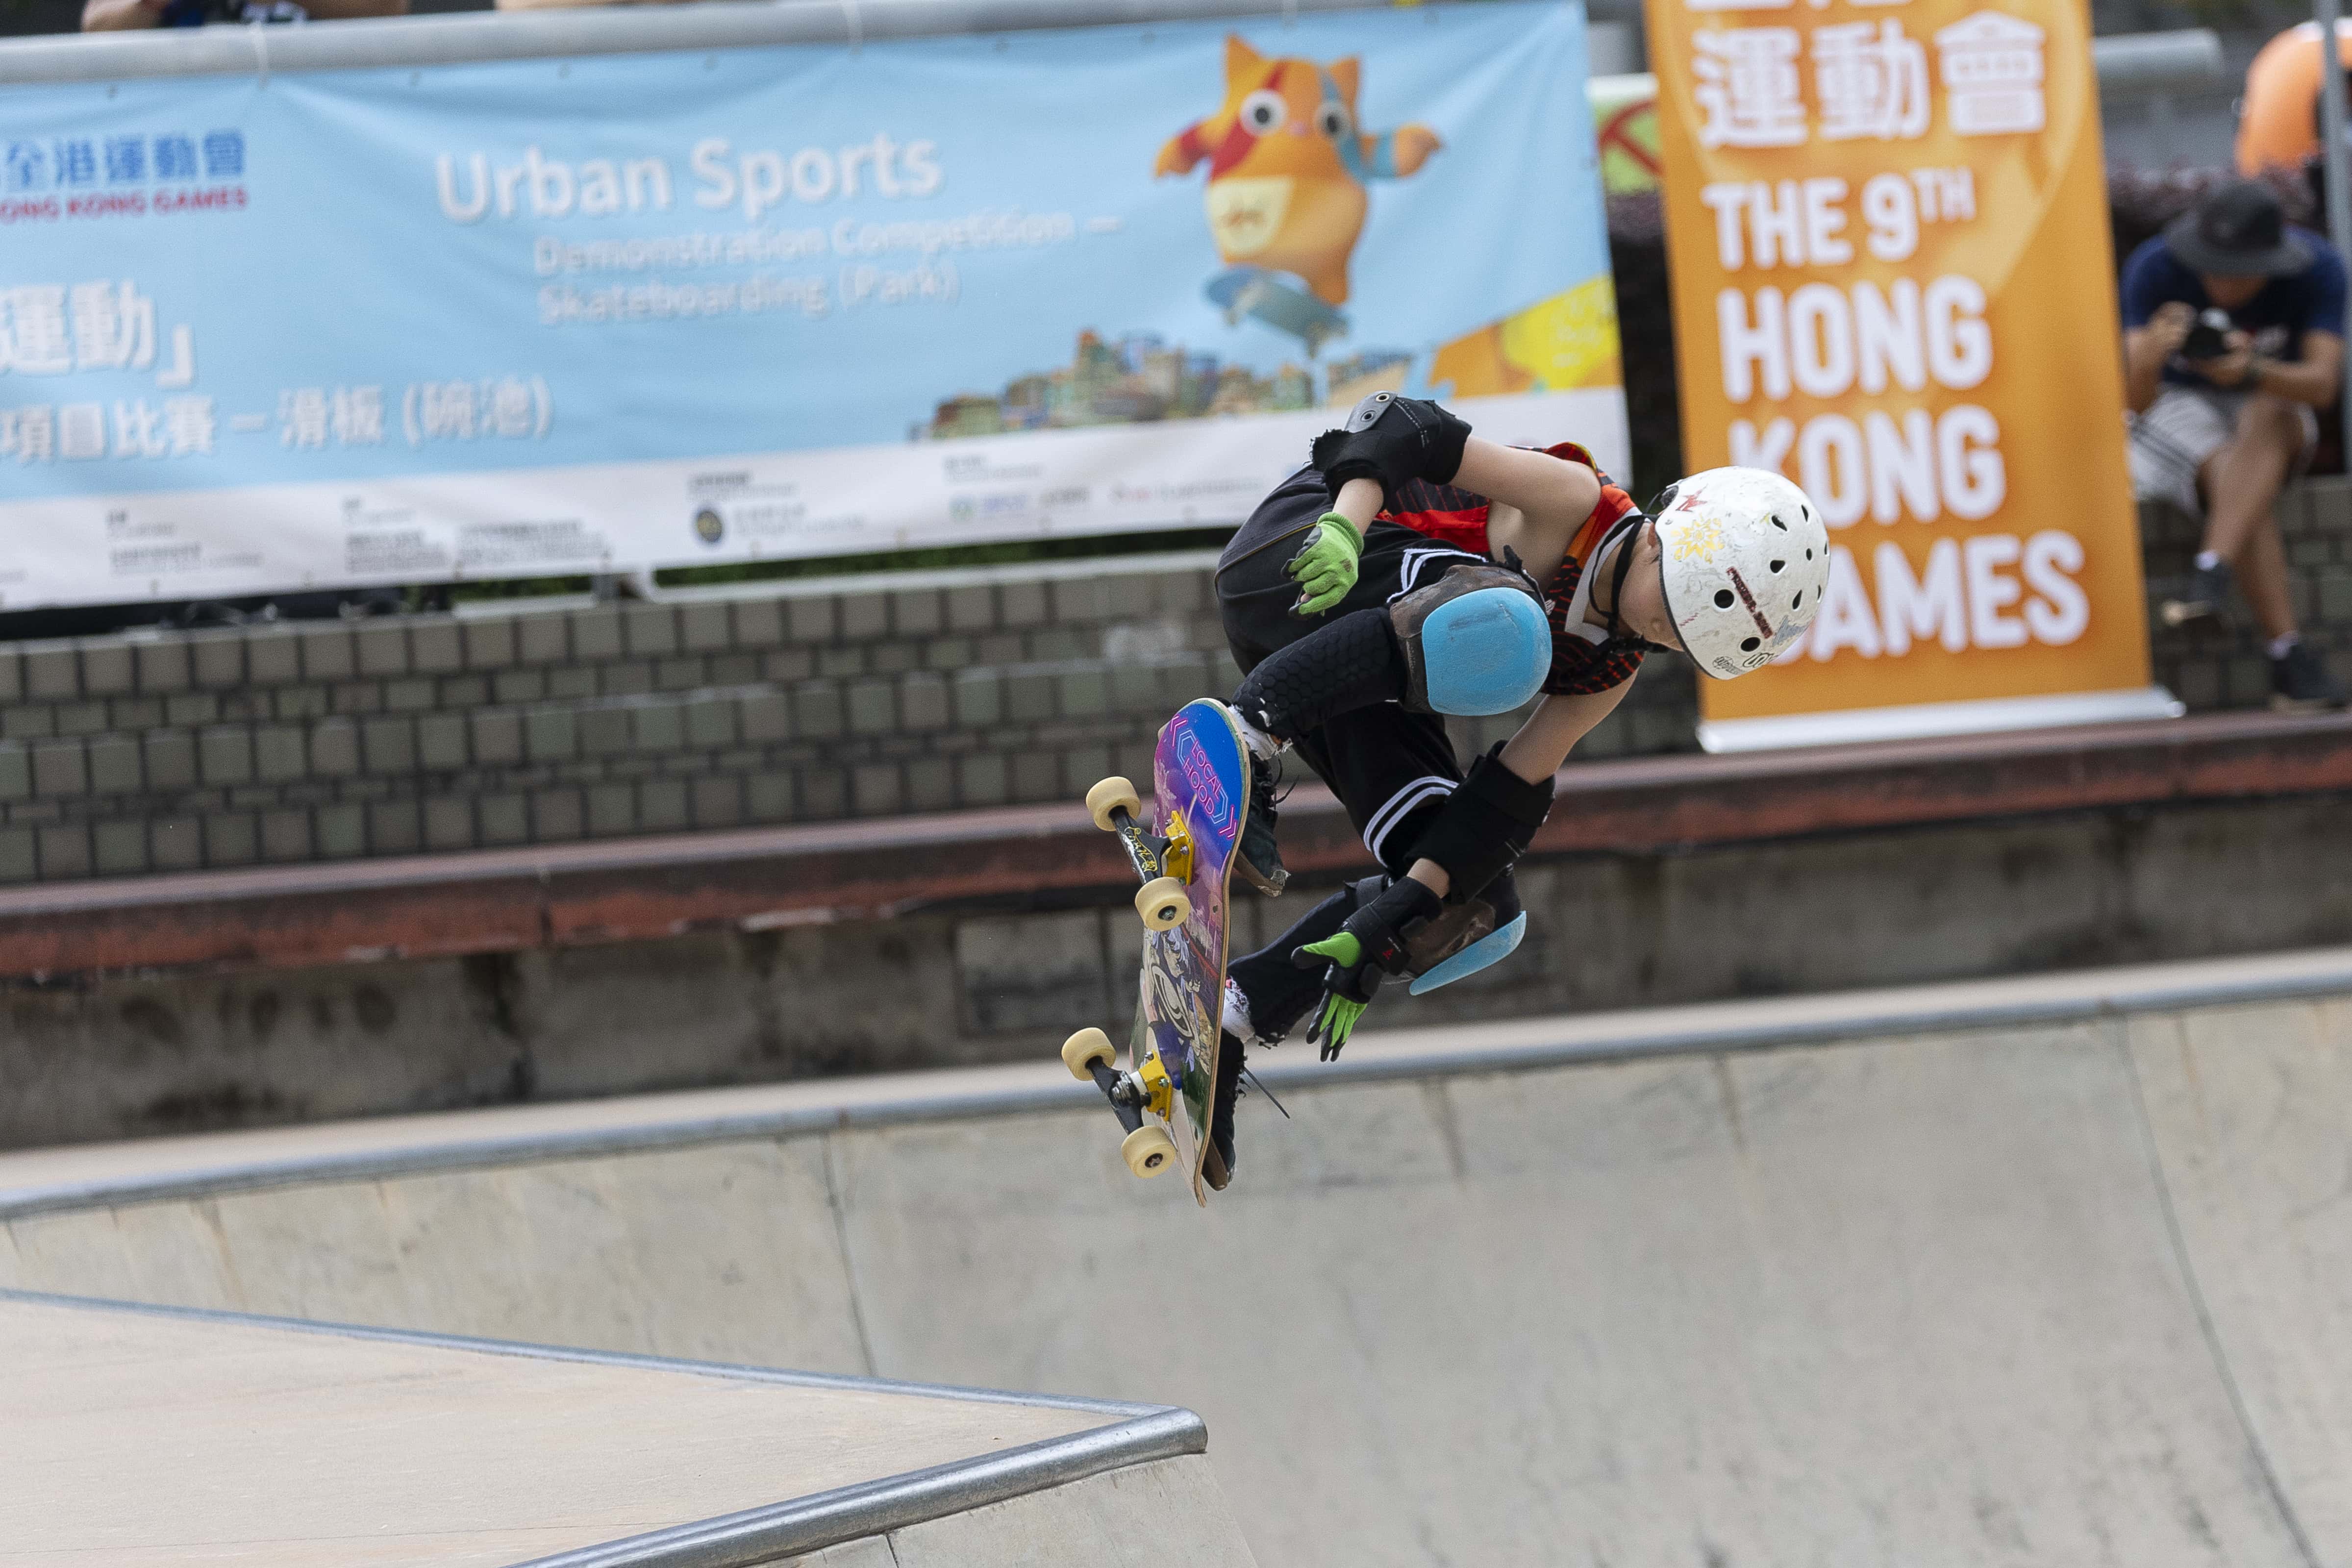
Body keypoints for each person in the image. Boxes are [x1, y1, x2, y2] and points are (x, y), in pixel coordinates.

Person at [1199, 392, 1829, 1187]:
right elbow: (1400, 428)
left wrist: (1395, 916)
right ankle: (1246, 735)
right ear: (1658, 540)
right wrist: (1345, 526)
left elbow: (1502, 799)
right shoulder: (1572, 501)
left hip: (1347, 671)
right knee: (1509, 625)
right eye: (1672, 607)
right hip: (1298, 559)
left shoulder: (1609, 670)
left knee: (1475, 904)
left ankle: (1235, 1014)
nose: (1661, 634)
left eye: (1684, 639)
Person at [2121, 178, 2350, 711]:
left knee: (2267, 414)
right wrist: (2149, 357)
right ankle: (2286, 654)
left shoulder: (2317, 268)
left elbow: (2322, 385)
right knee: (2241, 484)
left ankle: (2211, 571)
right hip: (2177, 406)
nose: (2223, 282)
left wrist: (2251, 370)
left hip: (2270, 404)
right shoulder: (2154, 267)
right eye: (2213, 265)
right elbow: (2134, 403)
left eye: (2238, 270)